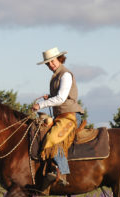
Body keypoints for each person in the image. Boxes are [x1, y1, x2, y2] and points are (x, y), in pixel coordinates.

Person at [32, 47, 84, 188]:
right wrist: (50, 97)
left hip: (71, 116)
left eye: (52, 61)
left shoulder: (65, 74)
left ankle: (63, 173)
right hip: (61, 116)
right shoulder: (56, 75)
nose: (51, 65)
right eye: (48, 63)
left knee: (52, 139)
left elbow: (61, 98)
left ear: (59, 59)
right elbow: (60, 96)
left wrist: (41, 105)